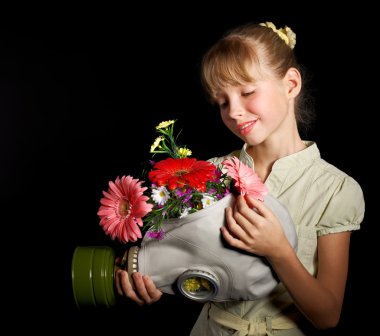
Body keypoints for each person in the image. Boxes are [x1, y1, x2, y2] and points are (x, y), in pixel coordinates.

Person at [115, 21, 365, 335]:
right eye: (222, 102)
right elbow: (186, 263)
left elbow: (328, 315)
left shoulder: (335, 189)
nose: (234, 111)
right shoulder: (210, 173)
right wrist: (153, 282)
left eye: (247, 92)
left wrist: (279, 251)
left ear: (290, 84)